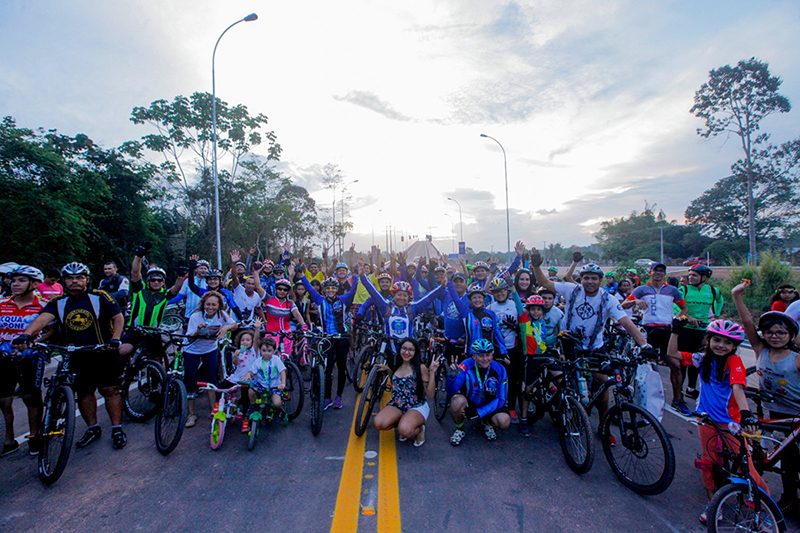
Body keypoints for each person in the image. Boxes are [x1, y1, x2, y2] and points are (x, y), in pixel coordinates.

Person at [530, 249, 649, 432]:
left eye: (594, 278)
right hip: (570, 344)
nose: (590, 281)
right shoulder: (572, 290)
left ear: (600, 281)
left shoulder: (607, 299)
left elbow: (626, 322)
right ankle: (567, 410)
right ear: (581, 279)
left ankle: (603, 425)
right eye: (586, 278)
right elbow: (544, 282)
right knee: (569, 383)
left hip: (594, 346)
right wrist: (537, 266)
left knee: (602, 383)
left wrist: (644, 345)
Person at [16, 262, 127, 449]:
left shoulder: (100, 296)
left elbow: (118, 317)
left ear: (87, 279)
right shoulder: (57, 302)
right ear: (64, 281)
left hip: (104, 351)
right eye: (70, 278)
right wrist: (26, 334)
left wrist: (115, 339)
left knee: (110, 391)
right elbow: (43, 319)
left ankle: (117, 428)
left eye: (79, 278)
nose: (74, 281)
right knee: (84, 393)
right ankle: (93, 428)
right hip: (76, 354)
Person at [666, 319, 765, 524]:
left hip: (731, 422)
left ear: (735, 347)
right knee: (707, 463)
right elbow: (673, 355)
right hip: (706, 419)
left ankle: (763, 509)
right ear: (708, 340)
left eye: (727, 343)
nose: (721, 345)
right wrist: (675, 332)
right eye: (717, 340)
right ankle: (713, 502)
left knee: (747, 467)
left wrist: (746, 414)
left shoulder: (734, 362)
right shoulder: (702, 359)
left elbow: (737, 388)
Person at [732, 280, 800, 515]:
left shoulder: (796, 358)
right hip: (771, 411)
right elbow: (747, 322)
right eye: (770, 331)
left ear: (791, 335)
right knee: (758, 450)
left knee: (791, 460)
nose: (775, 336)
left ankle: (790, 498)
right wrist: (736, 295)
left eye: (781, 332)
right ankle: (751, 486)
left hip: (795, 415)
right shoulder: (760, 349)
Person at [627, 262, 692, 416]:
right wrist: (635, 301)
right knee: (647, 366)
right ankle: (644, 400)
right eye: (656, 270)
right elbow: (623, 304)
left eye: (662, 271)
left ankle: (677, 400)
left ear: (664, 274)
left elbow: (684, 308)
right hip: (648, 330)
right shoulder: (642, 289)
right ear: (650, 272)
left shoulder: (672, 290)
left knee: (675, 364)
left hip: (667, 330)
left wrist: (677, 319)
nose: (658, 273)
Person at [1, 266, 49, 455]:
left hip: (31, 357)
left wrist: (35, 342)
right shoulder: (2, 302)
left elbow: (52, 330)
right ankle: (9, 438)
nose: (15, 284)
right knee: (4, 399)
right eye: (13, 280)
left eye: (21, 280)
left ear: (35, 284)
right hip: (4, 356)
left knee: (31, 397)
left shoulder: (44, 305)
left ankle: (34, 436)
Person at [299, 266, 360, 410]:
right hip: (327, 338)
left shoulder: (344, 300)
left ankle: (338, 396)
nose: (331, 290)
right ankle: (327, 397)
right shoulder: (320, 300)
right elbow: (309, 287)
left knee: (340, 367)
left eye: (333, 288)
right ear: (324, 290)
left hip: (342, 337)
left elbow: (353, 290)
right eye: (328, 288)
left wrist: (356, 275)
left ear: (337, 289)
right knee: (327, 369)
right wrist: (301, 275)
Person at [183, 291, 238, 428]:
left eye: (214, 305)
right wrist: (198, 331)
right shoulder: (196, 316)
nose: (210, 307)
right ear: (203, 305)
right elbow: (189, 336)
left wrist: (227, 327)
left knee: (211, 378)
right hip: (192, 349)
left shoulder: (221, 315)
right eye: (208, 304)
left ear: (219, 306)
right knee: (191, 379)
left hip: (210, 349)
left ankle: (213, 409)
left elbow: (235, 325)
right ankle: (191, 414)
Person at [121, 244, 184, 361]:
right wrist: (138, 256)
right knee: (124, 351)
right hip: (135, 330)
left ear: (163, 282)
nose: (156, 282)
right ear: (148, 281)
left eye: (159, 280)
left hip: (153, 333)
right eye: (153, 280)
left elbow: (177, 288)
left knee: (157, 362)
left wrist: (181, 276)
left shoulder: (165, 295)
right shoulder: (140, 290)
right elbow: (135, 273)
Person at [372, 337, 438, 447]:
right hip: (397, 404)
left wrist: (432, 373)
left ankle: (419, 429)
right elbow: (397, 381)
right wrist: (388, 370)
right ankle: (404, 421)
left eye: (410, 350)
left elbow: (431, 394)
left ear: (415, 352)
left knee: (405, 431)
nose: (406, 352)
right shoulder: (396, 363)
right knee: (378, 423)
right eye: (404, 348)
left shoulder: (420, 368)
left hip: (416, 406)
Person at [447, 338, 510, 445]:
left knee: (504, 421)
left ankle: (486, 422)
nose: (485, 359)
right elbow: (451, 392)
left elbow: (501, 399)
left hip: (490, 403)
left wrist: (479, 413)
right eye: (481, 356)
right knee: (456, 401)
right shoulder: (466, 364)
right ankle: (460, 428)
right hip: (470, 401)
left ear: (492, 354)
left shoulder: (500, 369)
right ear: (474, 356)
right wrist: (451, 378)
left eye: (488, 355)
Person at [678, 264, 723, 401]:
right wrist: (688, 318)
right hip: (685, 330)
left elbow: (719, 300)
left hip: (702, 331)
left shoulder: (712, 291)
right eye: (690, 275)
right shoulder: (683, 290)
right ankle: (678, 389)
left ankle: (691, 388)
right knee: (681, 361)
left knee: (696, 360)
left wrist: (716, 315)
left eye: (694, 275)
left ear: (703, 277)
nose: (690, 277)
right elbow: (675, 306)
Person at [512, 294, 549, 436]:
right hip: (531, 358)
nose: (536, 312)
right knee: (528, 391)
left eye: (539, 309)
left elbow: (544, 340)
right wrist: (512, 287)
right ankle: (524, 418)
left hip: (544, 355)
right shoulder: (525, 322)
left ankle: (559, 410)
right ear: (528, 310)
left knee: (559, 377)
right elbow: (518, 304)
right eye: (533, 309)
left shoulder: (542, 323)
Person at [488, 277, 522, 422]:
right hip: (497, 348)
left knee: (513, 379)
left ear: (507, 291)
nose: (500, 294)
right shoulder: (490, 308)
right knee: (495, 378)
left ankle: (511, 407)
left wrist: (517, 328)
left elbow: (524, 323)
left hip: (513, 347)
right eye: (496, 292)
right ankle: (495, 406)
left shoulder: (514, 305)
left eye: (502, 291)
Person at [242, 335, 287, 423]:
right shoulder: (258, 361)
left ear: (274, 351)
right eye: (264, 351)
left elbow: (282, 371)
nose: (266, 353)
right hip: (261, 385)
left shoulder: (276, 360)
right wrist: (248, 374)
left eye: (269, 351)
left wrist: (283, 383)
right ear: (260, 351)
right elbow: (252, 371)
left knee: (276, 403)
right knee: (251, 391)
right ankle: (253, 405)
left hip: (274, 386)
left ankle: (279, 410)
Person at [226, 320, 261, 433]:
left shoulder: (254, 351)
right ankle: (222, 407)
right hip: (238, 376)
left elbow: (257, 340)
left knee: (246, 396)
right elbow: (235, 364)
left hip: (249, 378)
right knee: (221, 387)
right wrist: (235, 357)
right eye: (243, 340)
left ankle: (246, 418)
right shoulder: (238, 351)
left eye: (247, 340)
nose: (245, 342)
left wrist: (257, 329)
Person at [229, 250, 265, 325]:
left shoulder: (256, 296)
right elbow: (234, 277)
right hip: (233, 324)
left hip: (247, 326)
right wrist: (234, 263)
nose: (250, 286)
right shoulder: (239, 289)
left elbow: (259, 308)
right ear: (244, 284)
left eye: (252, 284)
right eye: (248, 283)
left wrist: (264, 320)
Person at [537, 288, 564, 352]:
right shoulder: (532, 311)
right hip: (535, 346)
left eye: (550, 298)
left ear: (553, 300)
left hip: (552, 347)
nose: (547, 301)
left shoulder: (559, 314)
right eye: (544, 298)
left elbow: (561, 333)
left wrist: (562, 352)